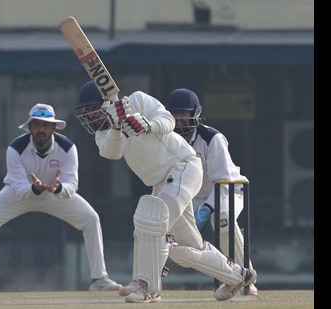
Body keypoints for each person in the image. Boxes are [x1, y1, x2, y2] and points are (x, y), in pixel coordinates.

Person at [73, 81, 257, 303]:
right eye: (88, 111)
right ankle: (238, 275)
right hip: (163, 180)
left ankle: (148, 286)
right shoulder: (103, 132)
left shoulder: (138, 100)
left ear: (105, 103)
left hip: (182, 166)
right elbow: (111, 153)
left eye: (93, 108)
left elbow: (168, 120)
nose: (91, 115)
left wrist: (148, 125)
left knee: (151, 222)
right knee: (183, 249)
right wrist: (116, 126)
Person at [0, 103, 122, 293]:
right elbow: (17, 187)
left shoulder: (67, 148)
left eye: (45, 125)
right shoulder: (16, 148)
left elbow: (72, 184)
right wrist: (34, 189)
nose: (41, 129)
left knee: (91, 219)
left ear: (53, 127)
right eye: (37, 125)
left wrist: (59, 188)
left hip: (54, 194)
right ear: (30, 127)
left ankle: (99, 279)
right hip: (20, 194)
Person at [165, 88, 258, 296]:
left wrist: (206, 210)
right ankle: (230, 276)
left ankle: (247, 280)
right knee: (169, 233)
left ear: (195, 114)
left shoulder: (212, 138)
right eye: (175, 114)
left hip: (229, 190)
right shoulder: (168, 141)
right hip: (192, 197)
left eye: (184, 113)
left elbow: (222, 181)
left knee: (222, 220)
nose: (180, 119)